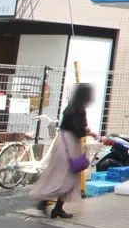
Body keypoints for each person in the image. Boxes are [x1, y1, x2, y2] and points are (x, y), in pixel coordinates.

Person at [32, 83, 98, 219]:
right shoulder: (79, 111)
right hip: (70, 145)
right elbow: (79, 131)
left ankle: (54, 207)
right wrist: (89, 132)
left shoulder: (70, 108)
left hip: (62, 143)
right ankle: (49, 204)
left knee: (59, 175)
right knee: (67, 177)